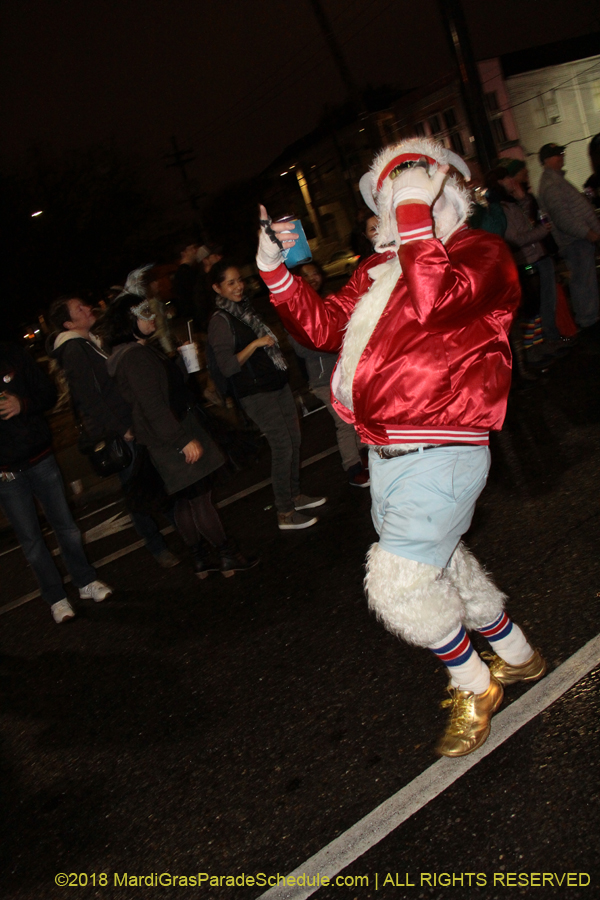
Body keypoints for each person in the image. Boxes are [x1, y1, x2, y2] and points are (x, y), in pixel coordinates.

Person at [256, 137, 546, 758]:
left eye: (413, 189)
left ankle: (474, 684)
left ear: (447, 192)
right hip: (385, 451)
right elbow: (324, 327)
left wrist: (416, 219)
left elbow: (434, 297)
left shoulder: (483, 251)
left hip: (444, 444)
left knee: (401, 582)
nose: (403, 202)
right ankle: (518, 654)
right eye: (393, 194)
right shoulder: (376, 269)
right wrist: (276, 273)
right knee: (440, 561)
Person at [97, 294, 256, 578]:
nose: (152, 317)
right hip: (171, 434)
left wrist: (183, 364)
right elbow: (153, 405)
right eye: (144, 314)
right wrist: (181, 440)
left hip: (164, 435)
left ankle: (200, 559)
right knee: (199, 500)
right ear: (129, 320)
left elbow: (163, 390)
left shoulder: (135, 351)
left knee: (184, 501)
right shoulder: (134, 356)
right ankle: (227, 554)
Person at [47, 294, 179, 569]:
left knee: (150, 478)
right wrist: (122, 428)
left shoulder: (90, 342)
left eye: (84, 303)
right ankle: (158, 544)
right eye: (78, 309)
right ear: (69, 324)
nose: (87, 307)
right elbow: (90, 398)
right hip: (119, 430)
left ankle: (183, 530)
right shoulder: (74, 350)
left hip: (127, 422)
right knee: (137, 488)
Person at [206, 260, 326, 530]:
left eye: (240, 280)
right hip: (255, 392)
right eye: (231, 283)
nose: (239, 287)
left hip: (275, 383)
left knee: (294, 439)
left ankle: (295, 495)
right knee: (282, 446)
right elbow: (227, 365)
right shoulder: (221, 320)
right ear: (217, 288)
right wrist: (256, 343)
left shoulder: (244, 310)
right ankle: (284, 512)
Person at [0, 341, 112, 623]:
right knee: (31, 540)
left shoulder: (12, 354)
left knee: (66, 526)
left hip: (40, 456)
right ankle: (56, 598)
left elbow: (48, 394)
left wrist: (21, 404)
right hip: (5, 473)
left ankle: (85, 580)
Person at [288, 262, 369, 488]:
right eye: (306, 275)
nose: (313, 277)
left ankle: (363, 456)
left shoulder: (330, 300)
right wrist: (332, 339)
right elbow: (301, 348)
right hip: (323, 378)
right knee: (343, 423)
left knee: (356, 416)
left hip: (345, 371)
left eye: (315, 272)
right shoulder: (296, 310)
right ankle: (352, 468)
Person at [537, 143, 600, 331]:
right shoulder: (551, 184)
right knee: (583, 280)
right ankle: (588, 319)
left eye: (562, 153)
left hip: (578, 239)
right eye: (557, 155)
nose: (561, 157)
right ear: (547, 160)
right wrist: (587, 233)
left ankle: (589, 317)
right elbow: (562, 218)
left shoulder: (555, 181)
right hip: (575, 241)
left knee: (585, 279)